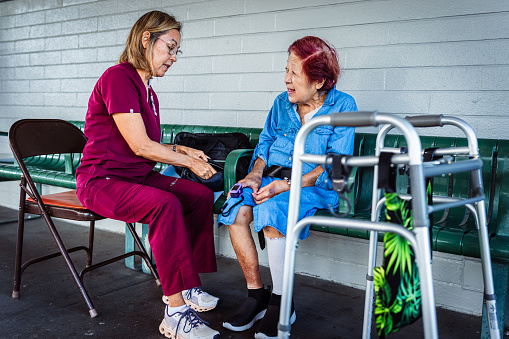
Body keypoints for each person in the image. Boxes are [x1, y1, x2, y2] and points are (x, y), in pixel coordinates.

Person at [75, 11, 220, 339]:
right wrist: (190, 165)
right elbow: (141, 146)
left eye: (176, 50)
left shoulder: (149, 92)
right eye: (170, 47)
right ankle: (175, 312)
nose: (173, 57)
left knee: (198, 195)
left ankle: (189, 286)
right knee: (164, 204)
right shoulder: (118, 78)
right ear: (146, 40)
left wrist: (183, 152)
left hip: (135, 176)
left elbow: (145, 144)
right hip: (101, 180)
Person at [218, 36, 357, 338]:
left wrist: (286, 185)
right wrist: (256, 173)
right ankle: (257, 295)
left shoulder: (343, 105)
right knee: (236, 202)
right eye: (286, 70)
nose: (286, 80)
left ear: (319, 81)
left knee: (273, 206)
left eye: (294, 73)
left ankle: (283, 305)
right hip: (274, 179)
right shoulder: (283, 103)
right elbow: (266, 142)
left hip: (316, 185)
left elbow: (335, 165)